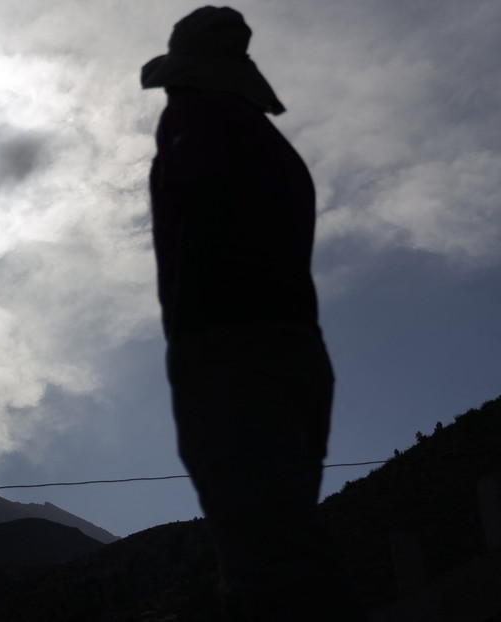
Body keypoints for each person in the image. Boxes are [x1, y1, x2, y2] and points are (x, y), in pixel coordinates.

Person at [141, 7, 362, 621]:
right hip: (293, 348)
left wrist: (194, 343)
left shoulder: (194, 117)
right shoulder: (270, 144)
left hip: (229, 345)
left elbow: (201, 213)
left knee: (267, 562)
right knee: (282, 535)